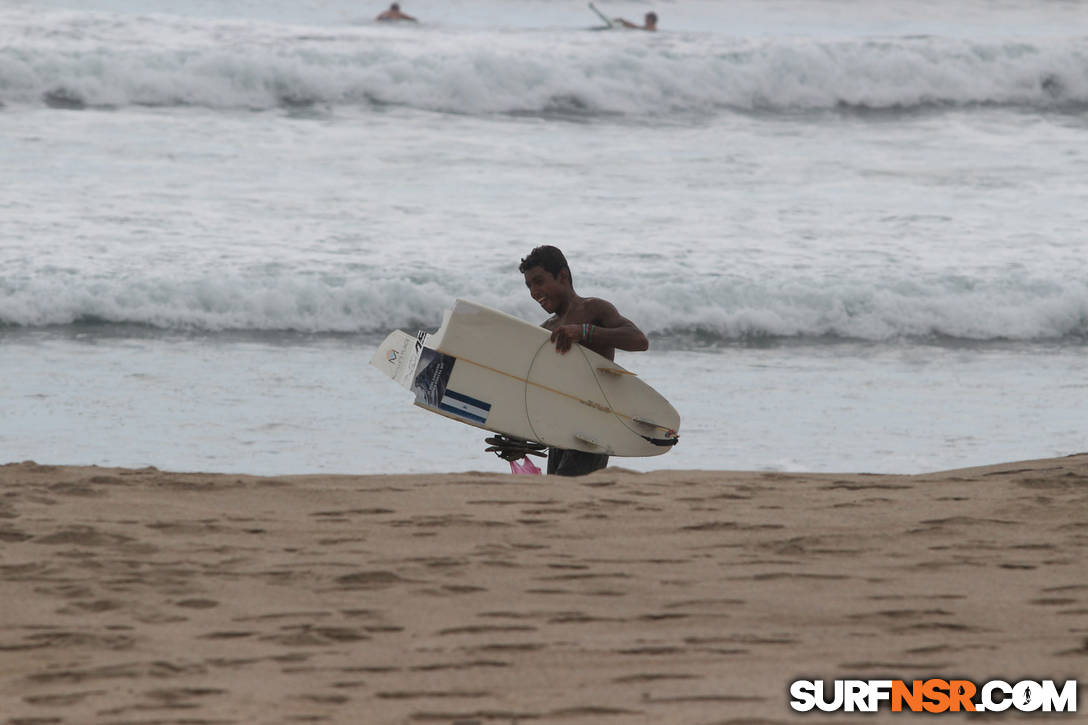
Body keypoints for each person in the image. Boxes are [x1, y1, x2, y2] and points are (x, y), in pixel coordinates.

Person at [516, 245, 649, 476]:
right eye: (529, 286)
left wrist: (586, 332)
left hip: (595, 423)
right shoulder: (546, 330)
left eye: (539, 281)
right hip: (562, 428)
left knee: (567, 491)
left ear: (563, 276)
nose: (534, 292)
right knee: (558, 492)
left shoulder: (593, 309)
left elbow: (638, 340)